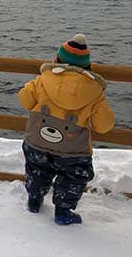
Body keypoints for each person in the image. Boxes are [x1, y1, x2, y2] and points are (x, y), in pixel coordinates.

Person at [18, 34, 114, 225]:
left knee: (37, 169)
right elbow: (104, 125)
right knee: (72, 179)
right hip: (73, 151)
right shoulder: (94, 91)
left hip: (37, 142)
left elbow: (25, 99)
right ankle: (63, 212)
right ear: (87, 66)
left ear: (57, 60)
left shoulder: (42, 80)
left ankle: (34, 200)